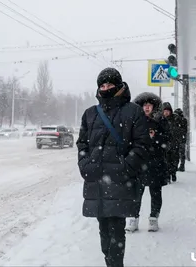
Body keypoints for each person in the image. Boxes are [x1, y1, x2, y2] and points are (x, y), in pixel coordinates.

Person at [76, 67, 150, 267]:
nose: (105, 88)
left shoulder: (133, 111)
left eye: (109, 84)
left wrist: (124, 168)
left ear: (118, 86)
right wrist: (85, 165)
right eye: (102, 85)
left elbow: (142, 146)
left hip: (119, 181)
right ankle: (110, 262)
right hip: (97, 181)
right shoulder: (90, 114)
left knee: (116, 231)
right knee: (103, 232)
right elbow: (82, 144)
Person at [126, 92, 171, 232]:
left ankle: (153, 219)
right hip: (138, 163)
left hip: (155, 163)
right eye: (144, 105)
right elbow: (128, 140)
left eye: (149, 105)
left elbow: (168, 141)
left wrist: (156, 137)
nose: (147, 108)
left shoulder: (160, 122)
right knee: (135, 193)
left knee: (155, 193)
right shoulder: (135, 121)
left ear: (154, 106)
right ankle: (133, 219)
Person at [162, 102, 181, 182]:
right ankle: (167, 175)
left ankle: (173, 173)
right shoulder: (161, 120)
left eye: (168, 111)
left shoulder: (175, 119)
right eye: (164, 111)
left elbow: (180, 130)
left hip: (174, 143)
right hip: (165, 144)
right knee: (166, 160)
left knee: (175, 160)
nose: (166, 113)